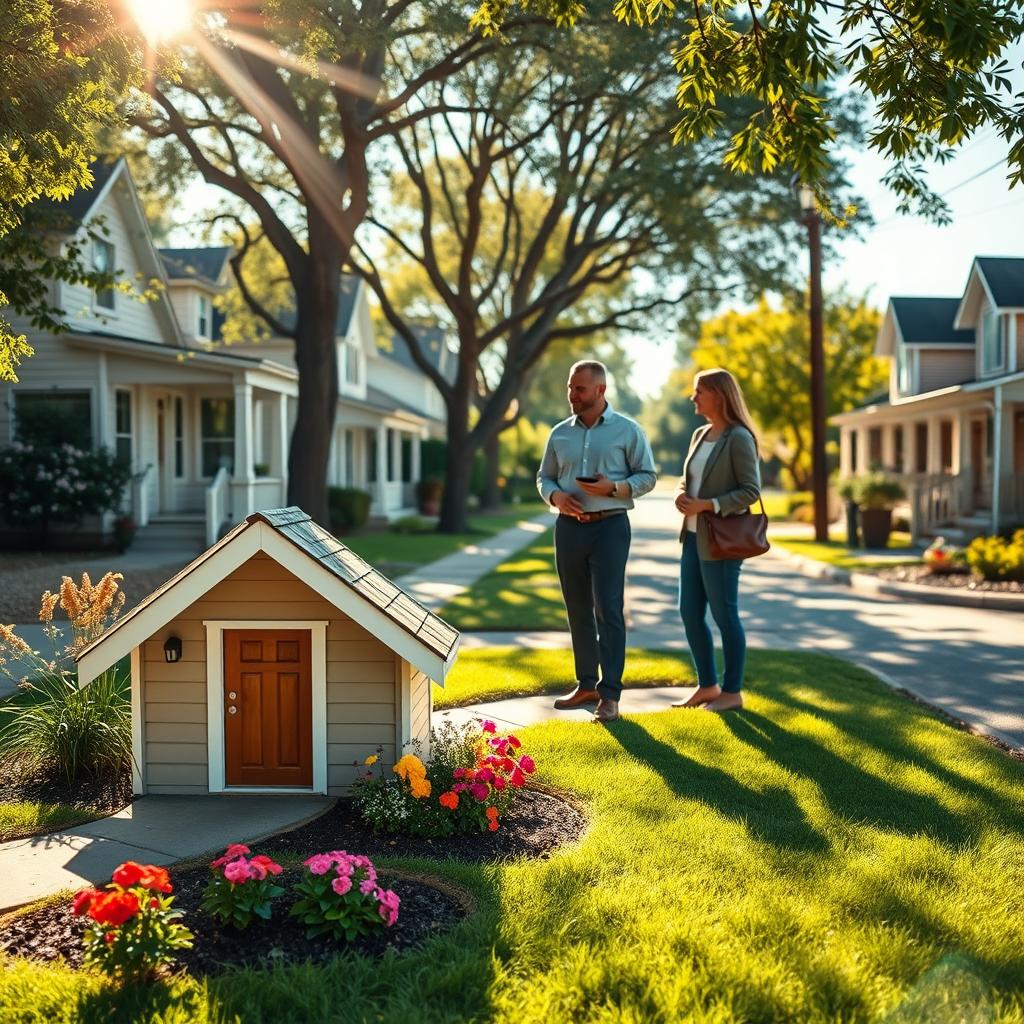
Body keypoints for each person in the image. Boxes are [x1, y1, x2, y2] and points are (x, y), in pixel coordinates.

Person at [536, 360, 657, 723]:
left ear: (601, 391)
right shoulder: (559, 433)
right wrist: (556, 497)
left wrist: (615, 488)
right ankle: (586, 684)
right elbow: (545, 478)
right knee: (577, 607)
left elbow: (648, 476)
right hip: (569, 528)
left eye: (580, 389)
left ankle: (611, 695)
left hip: (610, 527)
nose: (572, 395)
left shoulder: (628, 431)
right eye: (571, 388)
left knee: (608, 607)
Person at [673, 367, 761, 712]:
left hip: (721, 542)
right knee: (689, 612)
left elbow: (750, 491)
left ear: (718, 395)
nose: (693, 397)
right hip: (692, 538)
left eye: (699, 391)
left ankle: (732, 691)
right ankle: (707, 685)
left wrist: (707, 505)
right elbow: (689, 480)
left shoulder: (739, 438)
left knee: (725, 615)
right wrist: (682, 495)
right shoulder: (700, 435)